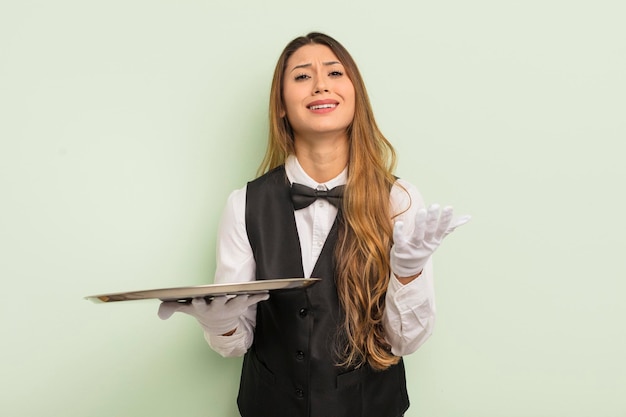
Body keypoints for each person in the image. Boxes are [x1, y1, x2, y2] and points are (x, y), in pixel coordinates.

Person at [158, 32, 470, 417]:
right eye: (302, 76)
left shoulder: (398, 200)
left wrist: (407, 275)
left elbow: (405, 342)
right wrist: (221, 323)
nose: (321, 83)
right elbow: (235, 344)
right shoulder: (243, 204)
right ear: (282, 107)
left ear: (355, 95)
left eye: (335, 73)